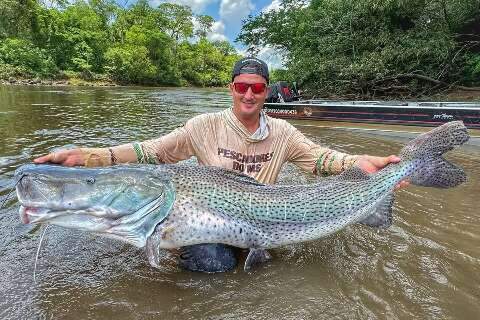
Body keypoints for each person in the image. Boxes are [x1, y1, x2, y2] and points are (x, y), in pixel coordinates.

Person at [34, 57, 408, 272]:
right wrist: (86, 157)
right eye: (242, 86)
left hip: (267, 217)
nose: (249, 93)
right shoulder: (203, 126)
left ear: (266, 92)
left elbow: (324, 160)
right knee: (211, 262)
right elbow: (151, 152)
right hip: (216, 227)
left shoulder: (284, 132)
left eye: (257, 88)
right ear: (231, 88)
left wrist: (364, 163)